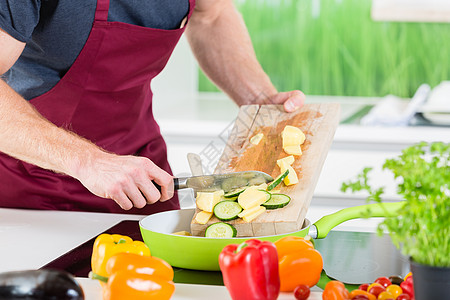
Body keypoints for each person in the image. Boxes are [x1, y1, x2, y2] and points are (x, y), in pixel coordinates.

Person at [0, 0, 305, 215]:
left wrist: (259, 99)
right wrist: (88, 162)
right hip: (29, 186)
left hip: (144, 175)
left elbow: (212, 14)